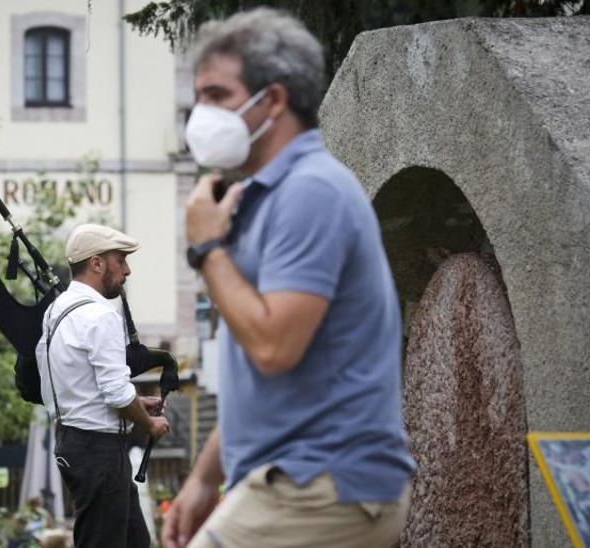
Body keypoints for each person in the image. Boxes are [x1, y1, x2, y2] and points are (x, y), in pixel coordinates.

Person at [164, 8, 414, 548]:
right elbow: (262, 376)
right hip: (298, 479)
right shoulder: (265, 197)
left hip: (324, 483)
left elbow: (275, 347)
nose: (199, 115)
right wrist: (204, 479)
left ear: (272, 100)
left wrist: (207, 249)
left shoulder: (310, 191)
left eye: (216, 95)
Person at [35, 224, 169, 548]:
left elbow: (84, 384)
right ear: (96, 263)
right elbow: (116, 393)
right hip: (99, 451)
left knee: (135, 540)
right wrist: (148, 423)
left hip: (75, 440)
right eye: (120, 260)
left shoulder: (58, 310)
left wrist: (136, 402)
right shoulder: (101, 315)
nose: (127, 270)